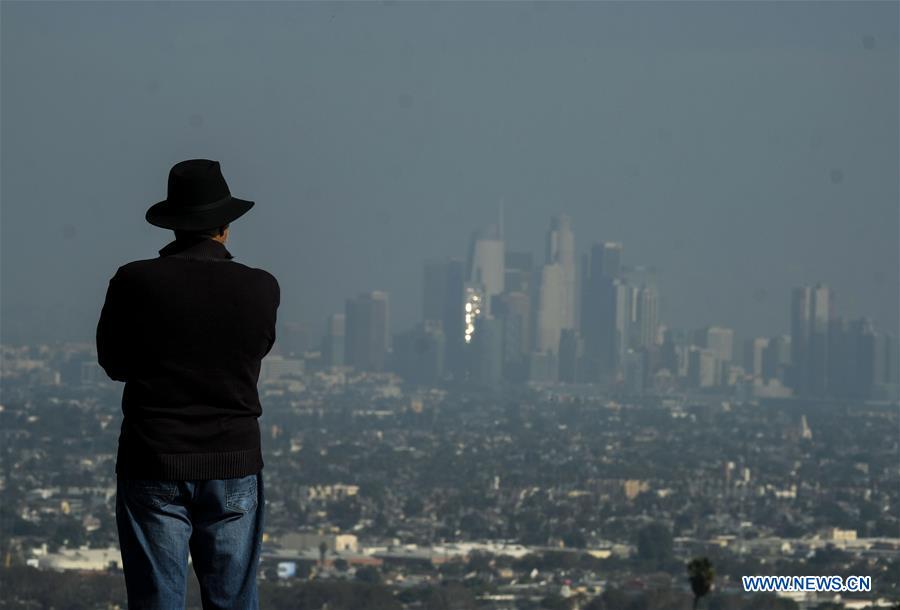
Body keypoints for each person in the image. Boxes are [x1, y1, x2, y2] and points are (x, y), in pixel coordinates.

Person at [96, 159, 280, 609]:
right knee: (234, 600)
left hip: (153, 456)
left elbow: (113, 362)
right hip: (233, 458)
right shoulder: (260, 288)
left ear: (173, 226)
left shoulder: (134, 282)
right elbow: (254, 353)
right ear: (225, 226)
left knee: (157, 599)